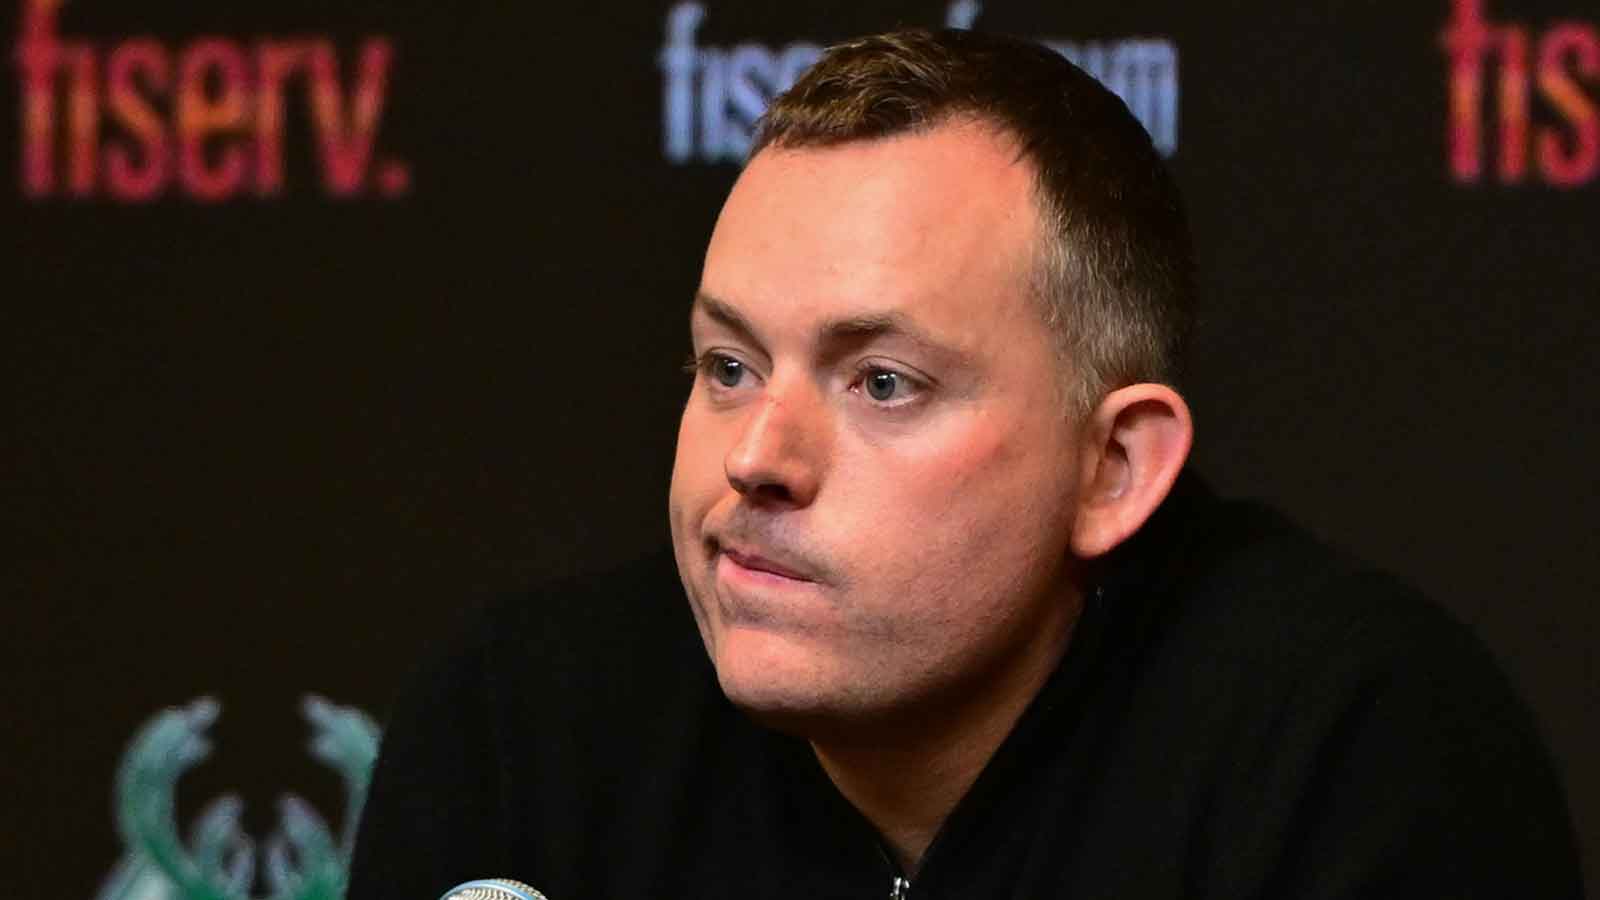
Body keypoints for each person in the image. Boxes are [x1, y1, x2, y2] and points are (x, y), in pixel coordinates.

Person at [347, 28, 1582, 899]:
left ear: (1114, 470)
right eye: (727, 367)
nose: (757, 459)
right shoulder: (522, 727)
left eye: (882, 383)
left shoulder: (1354, 751)